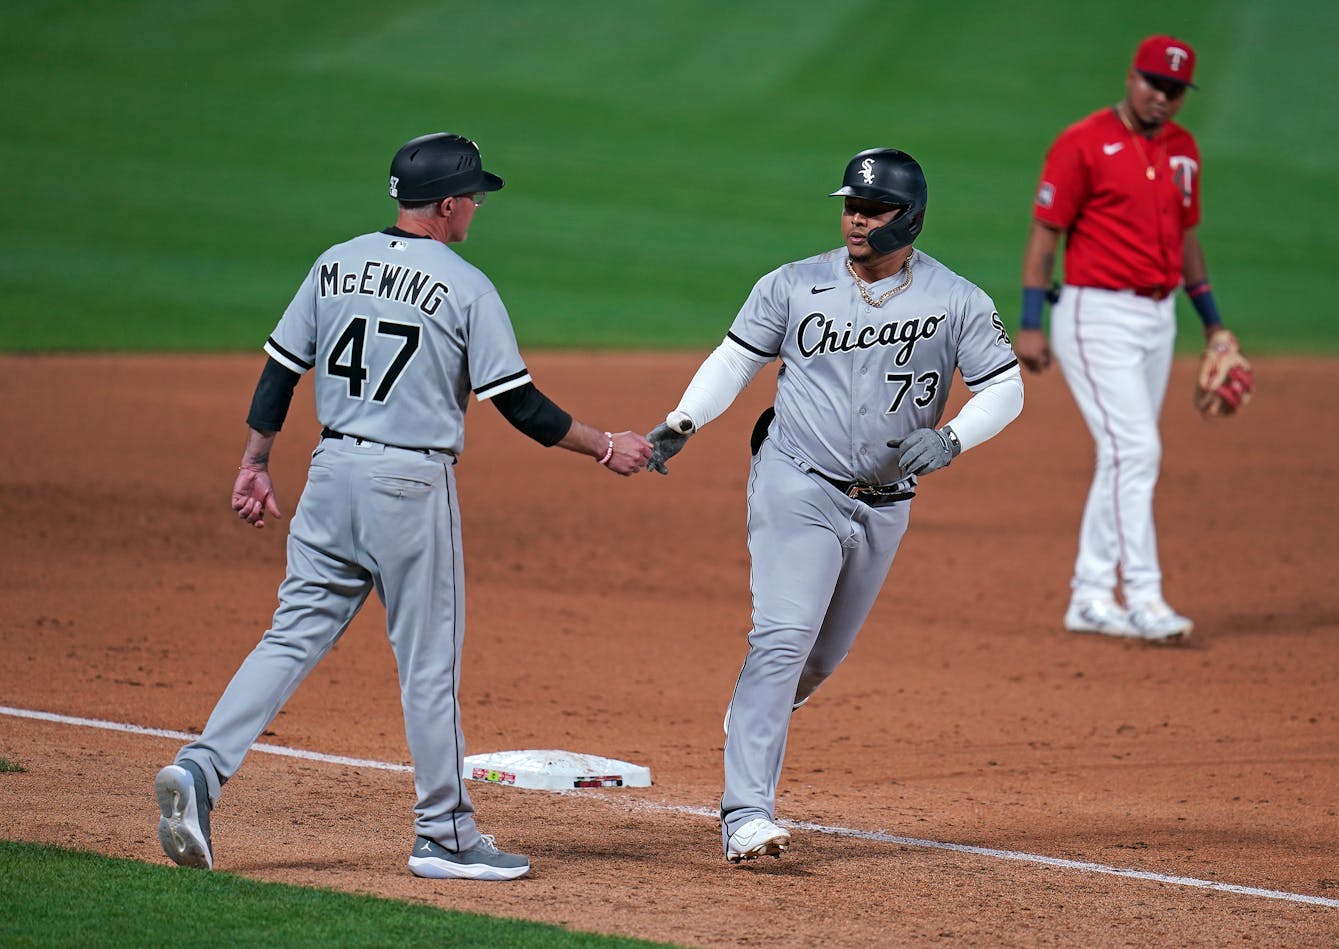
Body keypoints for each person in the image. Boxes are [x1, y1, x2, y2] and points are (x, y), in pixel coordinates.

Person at [153, 132, 653, 881]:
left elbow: (280, 371)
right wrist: (605, 444)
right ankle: (444, 832)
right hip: (408, 487)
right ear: (447, 204)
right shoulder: (465, 284)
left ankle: (200, 768)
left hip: (330, 474)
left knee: (290, 636)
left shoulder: (336, 260)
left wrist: (256, 460)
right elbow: (518, 404)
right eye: (473, 197)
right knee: (428, 661)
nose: (477, 208)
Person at [645, 148, 1024, 862]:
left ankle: (761, 702)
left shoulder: (958, 300)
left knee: (818, 658)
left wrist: (952, 437)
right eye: (850, 204)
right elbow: (735, 359)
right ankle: (745, 812)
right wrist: (685, 419)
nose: (856, 217)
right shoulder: (793, 285)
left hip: (885, 503)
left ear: (909, 217)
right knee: (783, 636)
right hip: (798, 479)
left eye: (873, 208)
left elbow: (1006, 387)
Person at [1015, 35, 1230, 643]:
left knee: (1123, 454)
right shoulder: (1082, 142)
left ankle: (1088, 596)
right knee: (1137, 451)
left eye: (1175, 91)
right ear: (1132, 78)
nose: (1163, 98)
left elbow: (1188, 239)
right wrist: (1030, 322)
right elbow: (1044, 234)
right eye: (1154, 84)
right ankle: (1143, 596)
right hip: (1095, 314)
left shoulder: (1185, 151)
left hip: (1160, 318)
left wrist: (1212, 322)